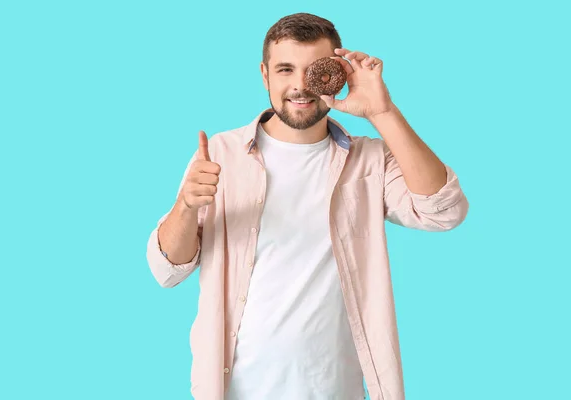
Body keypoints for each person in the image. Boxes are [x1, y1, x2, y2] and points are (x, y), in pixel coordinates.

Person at [146, 12, 469, 400]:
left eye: (315, 70)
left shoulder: (370, 161)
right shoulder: (221, 154)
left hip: (335, 390)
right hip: (233, 390)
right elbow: (167, 269)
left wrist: (383, 112)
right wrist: (185, 205)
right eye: (285, 69)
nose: (300, 86)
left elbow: (444, 211)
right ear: (265, 74)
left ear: (339, 73)